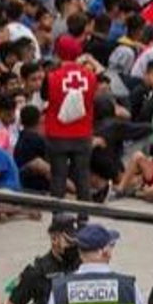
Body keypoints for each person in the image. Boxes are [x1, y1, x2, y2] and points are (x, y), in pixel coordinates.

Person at [44, 223, 149, 304]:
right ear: (105, 251)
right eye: (111, 246)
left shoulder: (60, 289)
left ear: (80, 252)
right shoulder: (128, 288)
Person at [43, 36, 101, 208]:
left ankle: (58, 216)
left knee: (58, 176)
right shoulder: (90, 76)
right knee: (82, 176)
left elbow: (45, 96)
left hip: (57, 134)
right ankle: (84, 216)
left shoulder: (52, 76)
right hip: (82, 133)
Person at [4, 213, 83, 304]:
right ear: (54, 238)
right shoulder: (38, 271)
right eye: (70, 242)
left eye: (77, 241)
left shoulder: (83, 264)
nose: (75, 246)